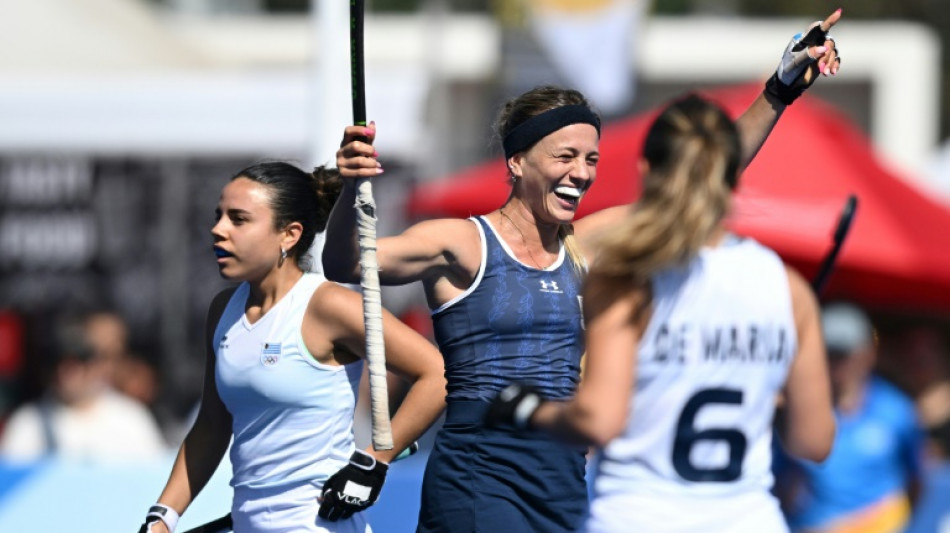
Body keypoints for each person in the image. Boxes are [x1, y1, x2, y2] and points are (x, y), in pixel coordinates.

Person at [326, 11, 841, 532]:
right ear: (517, 162)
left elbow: (699, 177)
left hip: (562, 477)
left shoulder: (587, 245)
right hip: (477, 479)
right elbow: (347, 262)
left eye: (591, 159)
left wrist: (778, 91)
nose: (582, 173)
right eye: (566, 156)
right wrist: (351, 187)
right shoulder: (461, 242)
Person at [485, 91, 836, 532]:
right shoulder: (789, 289)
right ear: (732, 179)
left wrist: (528, 410)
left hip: (639, 516)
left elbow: (600, 419)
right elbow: (814, 441)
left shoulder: (628, 277)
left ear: (646, 171)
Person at [138, 163, 446, 533]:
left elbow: (437, 373)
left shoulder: (328, 305)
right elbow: (211, 424)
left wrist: (376, 461)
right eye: (218, 216)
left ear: (289, 234)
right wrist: (163, 517)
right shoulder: (223, 309)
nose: (217, 230)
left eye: (238, 219)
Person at [773, 303, 925, 533]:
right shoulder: (796, 408)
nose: (834, 364)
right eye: (827, 353)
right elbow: (777, 477)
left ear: (867, 353)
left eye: (842, 353)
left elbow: (916, 479)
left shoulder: (896, 410)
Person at [0, 313, 166, 462]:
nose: (68, 372)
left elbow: (155, 480)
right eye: (58, 361)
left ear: (98, 363)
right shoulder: (27, 424)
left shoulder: (131, 419)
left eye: (79, 360)